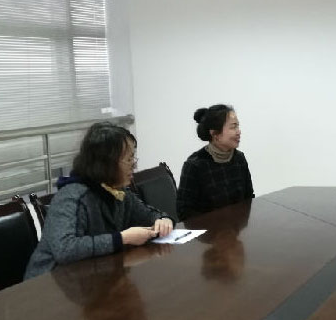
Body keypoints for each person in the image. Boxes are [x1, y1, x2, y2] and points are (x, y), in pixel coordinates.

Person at [25, 123, 174, 279]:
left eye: (133, 157)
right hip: (50, 282)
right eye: (129, 159)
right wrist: (122, 238)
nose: (134, 165)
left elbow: (148, 214)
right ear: (106, 163)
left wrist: (163, 220)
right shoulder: (71, 196)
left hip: (94, 275)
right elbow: (65, 249)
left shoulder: (118, 191)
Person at [177, 104, 254, 220]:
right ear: (215, 134)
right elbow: (184, 211)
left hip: (237, 227)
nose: (239, 132)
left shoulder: (239, 158)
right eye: (233, 127)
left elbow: (249, 198)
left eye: (238, 126)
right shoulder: (195, 166)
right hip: (209, 230)